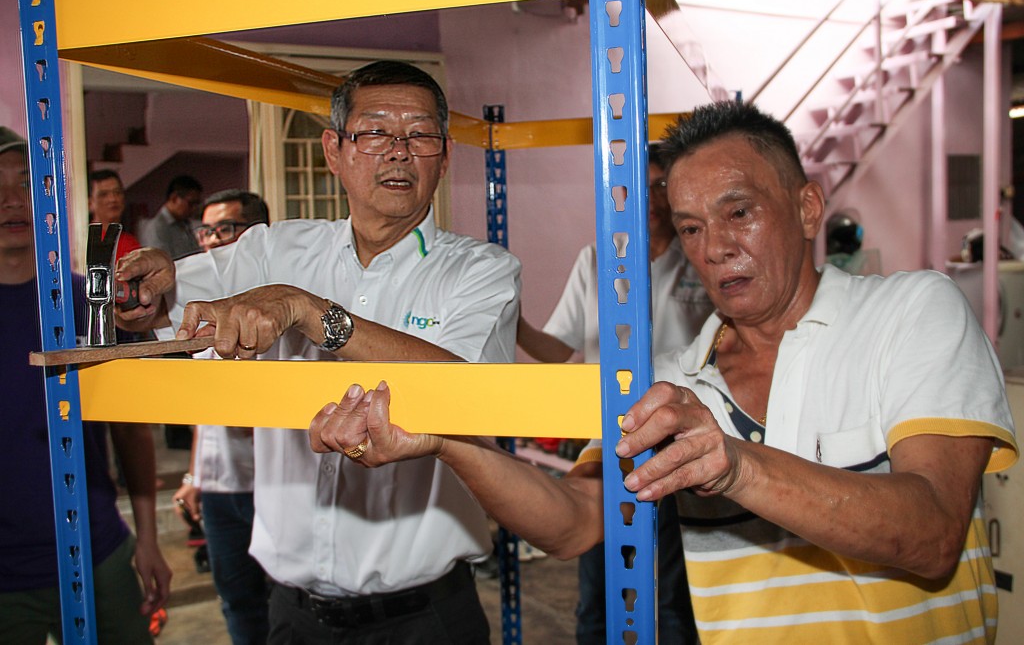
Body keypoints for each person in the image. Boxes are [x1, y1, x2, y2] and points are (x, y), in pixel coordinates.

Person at [309, 101, 1019, 644]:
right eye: (689, 227)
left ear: (806, 208)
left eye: (738, 213)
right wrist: (449, 439)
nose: (715, 248)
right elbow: (576, 522)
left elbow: (930, 536)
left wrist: (735, 466)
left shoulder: (912, 311)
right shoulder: (682, 382)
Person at [116, 61, 521, 644]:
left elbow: (457, 387)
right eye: (376, 131)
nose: (399, 151)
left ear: (445, 153)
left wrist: (312, 314)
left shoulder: (483, 272)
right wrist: (144, 294)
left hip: (425, 620)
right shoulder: (274, 250)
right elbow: (170, 304)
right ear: (334, 150)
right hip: (294, 617)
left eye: (420, 134)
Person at [517, 142, 708, 644]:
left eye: (659, 186)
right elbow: (562, 350)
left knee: (672, 596)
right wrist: (511, 321)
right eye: (636, 187)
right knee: (597, 591)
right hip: (609, 440)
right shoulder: (599, 259)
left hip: (680, 443)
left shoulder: (700, 262)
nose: (648, 199)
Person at [0, 127, 172, 642]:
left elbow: (130, 429)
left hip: (96, 550)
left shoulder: (88, 303)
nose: (12, 200)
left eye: (26, 183)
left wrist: (147, 537)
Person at [173, 189, 271, 645]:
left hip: (272, 487)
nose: (212, 241)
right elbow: (202, 414)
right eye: (206, 230)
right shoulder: (196, 313)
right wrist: (195, 474)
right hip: (218, 490)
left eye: (225, 229)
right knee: (236, 599)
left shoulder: (272, 315)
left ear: (257, 237)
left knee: (281, 602)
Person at [139, 174, 202, 259]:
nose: (194, 208)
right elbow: (161, 263)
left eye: (197, 204)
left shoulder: (185, 223)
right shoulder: (156, 227)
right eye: (191, 203)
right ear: (174, 198)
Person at [88, 169, 141, 263]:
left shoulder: (130, 241)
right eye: (103, 195)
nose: (113, 199)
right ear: (90, 203)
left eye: (117, 192)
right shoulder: (84, 241)